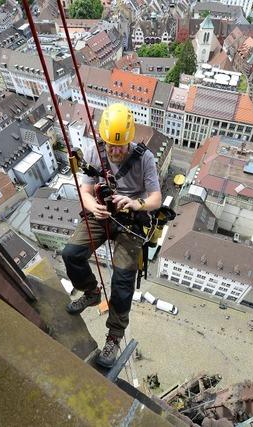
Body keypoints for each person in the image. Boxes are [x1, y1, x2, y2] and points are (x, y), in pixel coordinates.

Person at [61, 103, 162, 368]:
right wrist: (90, 205)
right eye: (111, 145)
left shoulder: (144, 159)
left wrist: (135, 204)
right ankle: (91, 291)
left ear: (129, 140)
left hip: (129, 219)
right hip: (102, 212)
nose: (115, 151)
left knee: (123, 279)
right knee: (71, 254)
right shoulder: (96, 151)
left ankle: (114, 335)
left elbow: (156, 198)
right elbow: (84, 188)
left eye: (120, 146)